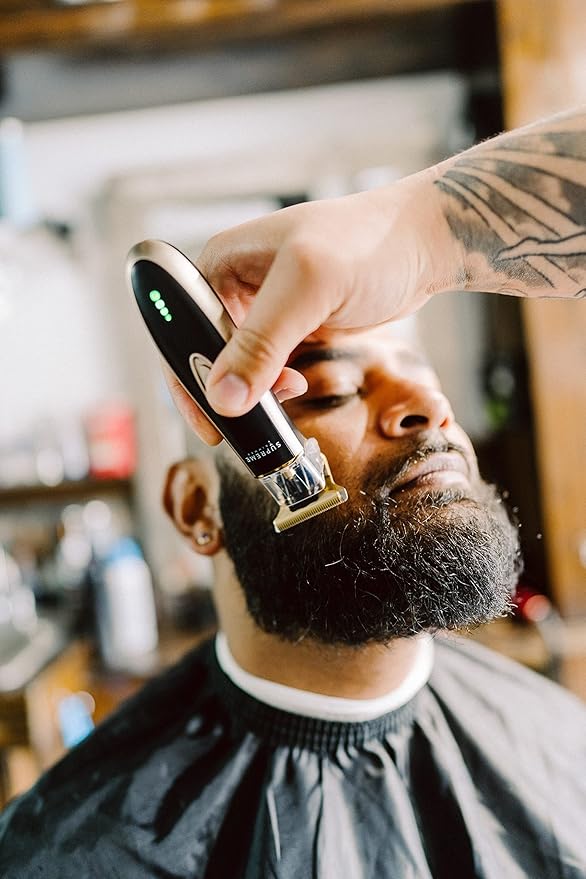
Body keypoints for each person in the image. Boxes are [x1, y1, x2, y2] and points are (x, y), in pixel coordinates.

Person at [1, 110, 585, 879]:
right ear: (196, 509)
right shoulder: (78, 850)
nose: (429, 408)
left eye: (430, 382)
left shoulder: (563, 739)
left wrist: (426, 230)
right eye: (331, 389)